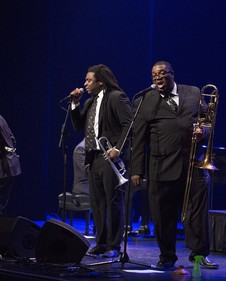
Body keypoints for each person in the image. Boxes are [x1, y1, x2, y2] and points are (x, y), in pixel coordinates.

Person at [130, 61, 218, 269]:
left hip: (193, 164)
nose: (157, 77)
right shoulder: (145, 100)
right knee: (163, 216)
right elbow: (139, 138)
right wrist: (136, 170)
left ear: (172, 74)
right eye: (153, 75)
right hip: (160, 166)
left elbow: (207, 121)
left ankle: (199, 256)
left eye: (161, 73)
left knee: (197, 214)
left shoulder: (194, 93)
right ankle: (167, 257)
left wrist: (202, 132)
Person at [70, 64, 132, 258]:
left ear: (101, 82)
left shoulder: (116, 97)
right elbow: (78, 125)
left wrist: (118, 148)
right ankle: (101, 242)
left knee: (113, 201)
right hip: (94, 157)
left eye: (89, 80)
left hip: (110, 157)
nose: (85, 84)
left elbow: (129, 124)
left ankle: (114, 245)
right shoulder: (90, 102)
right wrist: (75, 105)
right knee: (97, 201)